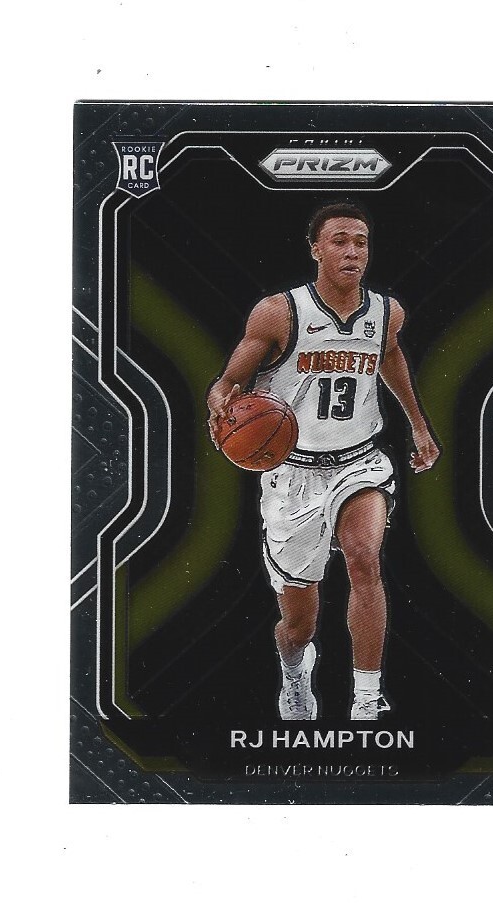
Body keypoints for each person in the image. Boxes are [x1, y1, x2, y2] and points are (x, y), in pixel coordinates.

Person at [207, 202, 440, 721]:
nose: (352, 251)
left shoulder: (387, 312)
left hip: (360, 460)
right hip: (293, 473)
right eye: (339, 241)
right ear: (315, 249)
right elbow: (229, 381)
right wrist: (220, 401)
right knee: (299, 624)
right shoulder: (278, 313)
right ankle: (295, 670)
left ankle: (367, 701)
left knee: (363, 557)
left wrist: (419, 425)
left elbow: (389, 353)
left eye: (361, 242)